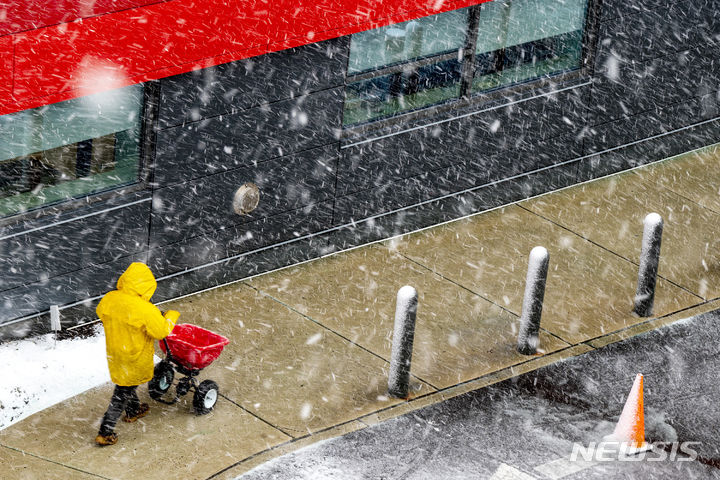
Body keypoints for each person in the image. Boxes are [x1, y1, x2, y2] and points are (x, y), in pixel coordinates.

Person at [94, 262, 178, 446]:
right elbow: (162, 331)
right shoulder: (146, 309)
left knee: (126, 383)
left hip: (115, 350)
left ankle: (134, 410)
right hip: (134, 354)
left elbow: (101, 311)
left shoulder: (110, 298)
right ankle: (105, 432)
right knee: (122, 391)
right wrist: (171, 316)